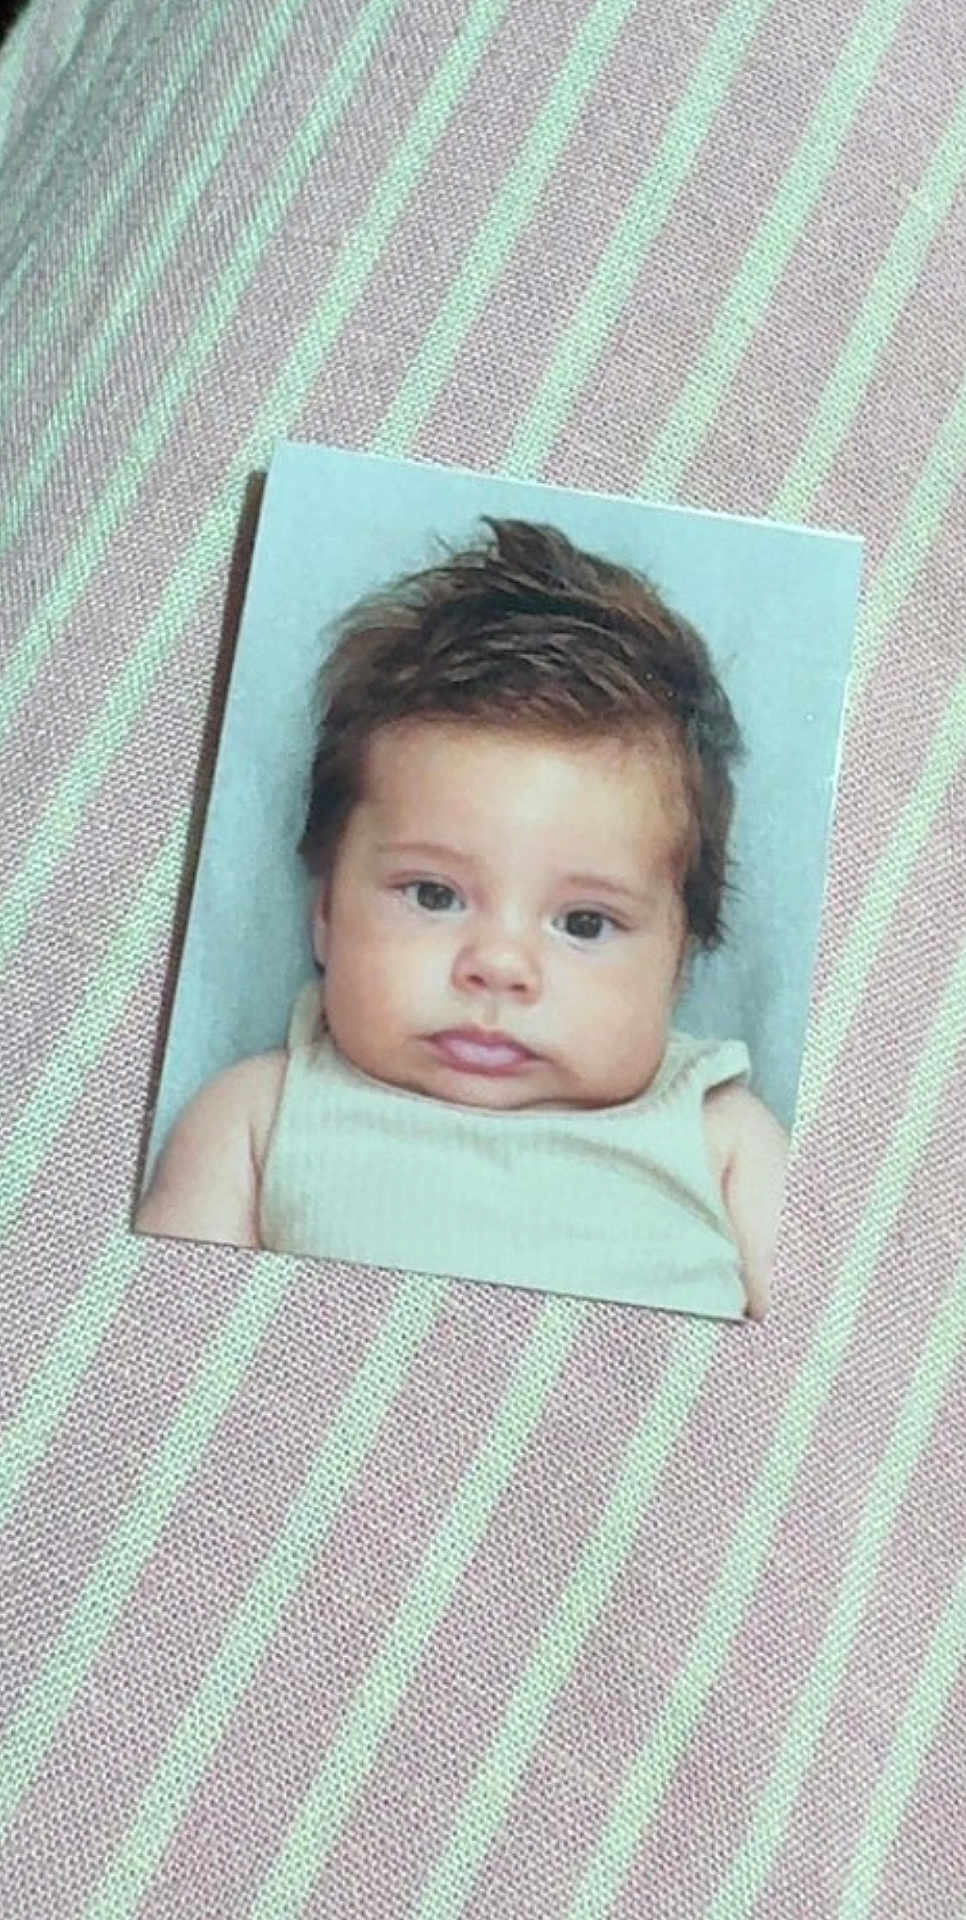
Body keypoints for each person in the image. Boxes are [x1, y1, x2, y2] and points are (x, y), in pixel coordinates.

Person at [136, 518, 789, 1319]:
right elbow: (160, 1334)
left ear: (681, 961)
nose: (498, 966)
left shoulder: (722, 1139)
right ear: (326, 912)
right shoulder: (256, 1118)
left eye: (585, 923)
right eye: (434, 895)